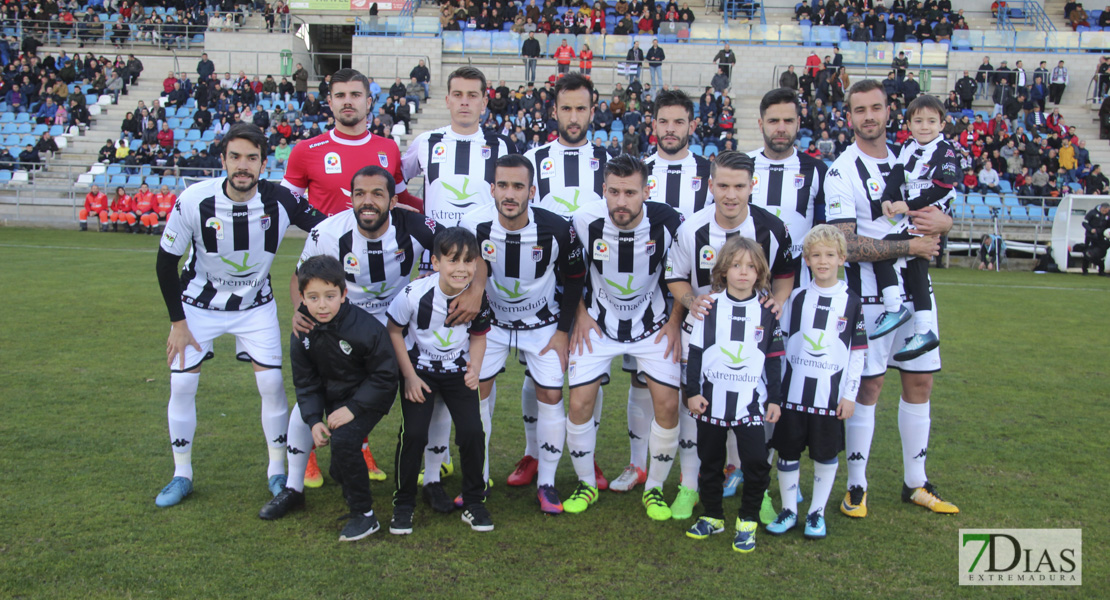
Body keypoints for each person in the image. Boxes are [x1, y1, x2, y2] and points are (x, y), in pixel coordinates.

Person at [152, 123, 326, 508]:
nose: (242, 165)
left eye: (251, 158)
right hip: (198, 308)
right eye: (235, 157)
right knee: (181, 386)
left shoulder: (281, 199)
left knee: (271, 387)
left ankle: (277, 471)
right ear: (223, 160)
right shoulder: (195, 199)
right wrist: (177, 323)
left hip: (255, 308)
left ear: (264, 163)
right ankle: (182, 474)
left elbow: (327, 226)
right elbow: (166, 263)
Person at [825, 80, 958, 520]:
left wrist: (946, 223)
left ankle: (915, 482)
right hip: (869, 298)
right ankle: (856, 487)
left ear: (888, 112)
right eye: (859, 109)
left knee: (920, 383)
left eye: (876, 108)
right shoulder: (842, 170)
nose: (868, 116)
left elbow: (939, 211)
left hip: (918, 291)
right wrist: (910, 248)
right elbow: (844, 244)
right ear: (849, 117)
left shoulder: (913, 154)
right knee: (869, 386)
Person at [664, 150, 796, 521]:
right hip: (706, 335)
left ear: (751, 186)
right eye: (723, 185)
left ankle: (754, 487)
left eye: (739, 186)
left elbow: (785, 272)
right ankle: (691, 486)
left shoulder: (770, 227)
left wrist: (778, 302)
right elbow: (674, 275)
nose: (731, 194)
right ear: (711, 185)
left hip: (752, 334)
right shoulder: (692, 228)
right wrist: (693, 302)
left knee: (750, 409)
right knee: (699, 408)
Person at [402, 66, 510, 490]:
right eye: (458, 94)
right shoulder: (425, 143)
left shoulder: (501, 146)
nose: (465, 101)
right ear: (446, 99)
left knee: (477, 370)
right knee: (436, 360)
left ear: (485, 100)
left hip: (485, 271)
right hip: (436, 272)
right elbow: (395, 182)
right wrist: (418, 214)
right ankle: (439, 458)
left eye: (473, 95)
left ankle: (471, 462)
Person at [459, 154, 586, 514]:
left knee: (549, 392)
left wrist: (563, 332)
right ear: (492, 189)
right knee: (477, 391)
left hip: (542, 325)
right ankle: (477, 481)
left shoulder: (557, 228)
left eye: (518, 186)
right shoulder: (474, 225)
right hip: (492, 327)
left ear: (532, 190)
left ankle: (546, 483)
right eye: (502, 186)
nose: (509, 194)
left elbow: (576, 278)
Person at [602, 89, 712, 496]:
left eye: (678, 122)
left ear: (692, 126)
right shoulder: (635, 171)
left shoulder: (708, 173)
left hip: (693, 296)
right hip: (644, 299)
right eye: (663, 122)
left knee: (695, 383)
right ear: (652, 125)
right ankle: (637, 464)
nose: (670, 129)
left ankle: (695, 470)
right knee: (643, 382)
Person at [564, 154, 684, 521]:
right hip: (599, 325)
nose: (620, 201)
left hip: (652, 326)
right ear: (603, 189)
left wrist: (675, 321)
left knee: (666, 405)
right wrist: (580, 315)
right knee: (580, 402)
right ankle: (586, 483)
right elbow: (569, 272)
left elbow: (682, 273)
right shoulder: (585, 221)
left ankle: (654, 490)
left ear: (646, 191)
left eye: (630, 192)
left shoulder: (670, 221)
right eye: (613, 192)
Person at [258, 255, 399, 541]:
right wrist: (313, 420)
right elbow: (306, 383)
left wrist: (353, 408)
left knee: (346, 441)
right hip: (332, 397)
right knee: (339, 462)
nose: (322, 305)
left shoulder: (367, 328)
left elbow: (385, 376)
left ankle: (365, 516)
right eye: (313, 297)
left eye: (330, 296)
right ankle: (299, 489)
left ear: (344, 294)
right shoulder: (302, 331)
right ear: (302, 298)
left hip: (367, 397)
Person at [514, 74, 610, 490]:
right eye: (566, 108)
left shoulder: (611, 162)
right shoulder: (531, 160)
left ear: (593, 110)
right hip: (543, 282)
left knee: (591, 372)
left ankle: (589, 456)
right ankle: (534, 453)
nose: (573, 117)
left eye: (581, 108)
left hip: (595, 283)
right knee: (536, 371)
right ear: (554, 111)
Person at [386, 227, 495, 534]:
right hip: (419, 371)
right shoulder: (413, 294)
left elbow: (478, 336)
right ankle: (403, 504)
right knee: (415, 434)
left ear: (476, 264)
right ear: (435, 263)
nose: (461, 268)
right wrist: (408, 376)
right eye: (452, 260)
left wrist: (474, 368)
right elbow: (394, 331)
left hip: (457, 373)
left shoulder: (477, 298)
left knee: (473, 432)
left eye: (468, 261)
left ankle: (474, 502)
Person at [681, 235, 782, 553]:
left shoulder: (767, 311)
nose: (743, 272)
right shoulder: (709, 306)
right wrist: (692, 392)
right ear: (723, 270)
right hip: (710, 401)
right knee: (709, 461)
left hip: (750, 403)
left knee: (755, 462)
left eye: (751, 267)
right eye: (736, 265)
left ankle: (748, 520)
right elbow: (695, 353)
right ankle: (712, 516)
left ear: (760, 273)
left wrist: (775, 399)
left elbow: (775, 359)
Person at [766, 225, 866, 540]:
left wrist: (849, 395)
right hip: (792, 396)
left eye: (830, 255)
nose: (823, 261)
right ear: (806, 260)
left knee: (825, 455)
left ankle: (816, 513)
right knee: (788, 453)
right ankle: (789, 510)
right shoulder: (794, 298)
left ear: (842, 258)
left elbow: (858, 354)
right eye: (816, 255)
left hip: (828, 397)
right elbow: (777, 346)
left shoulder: (851, 301)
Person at [872, 95, 960, 361]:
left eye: (931, 121)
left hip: (927, 215)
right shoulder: (909, 147)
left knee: (882, 254)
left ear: (942, 125)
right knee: (915, 271)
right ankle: (924, 330)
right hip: (915, 214)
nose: (925, 126)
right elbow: (897, 175)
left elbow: (942, 187)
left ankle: (894, 308)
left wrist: (907, 205)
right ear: (908, 124)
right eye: (918, 121)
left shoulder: (945, 150)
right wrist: (887, 198)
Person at [749, 88, 829, 288]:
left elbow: (824, 231)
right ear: (761, 124)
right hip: (747, 282)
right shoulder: (743, 165)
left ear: (798, 124)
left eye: (789, 121)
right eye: (773, 121)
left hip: (799, 285)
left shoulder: (817, 170)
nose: (781, 128)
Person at [1082, 202, 1110, 274]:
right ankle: (1085, 270)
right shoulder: (1092, 213)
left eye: (1107, 211)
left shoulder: (1108, 215)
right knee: (1087, 252)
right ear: (1101, 208)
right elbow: (1084, 223)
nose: (1105, 213)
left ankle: (1101, 271)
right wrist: (1091, 229)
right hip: (1090, 236)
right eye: (1105, 211)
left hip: (1101, 237)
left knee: (1102, 252)